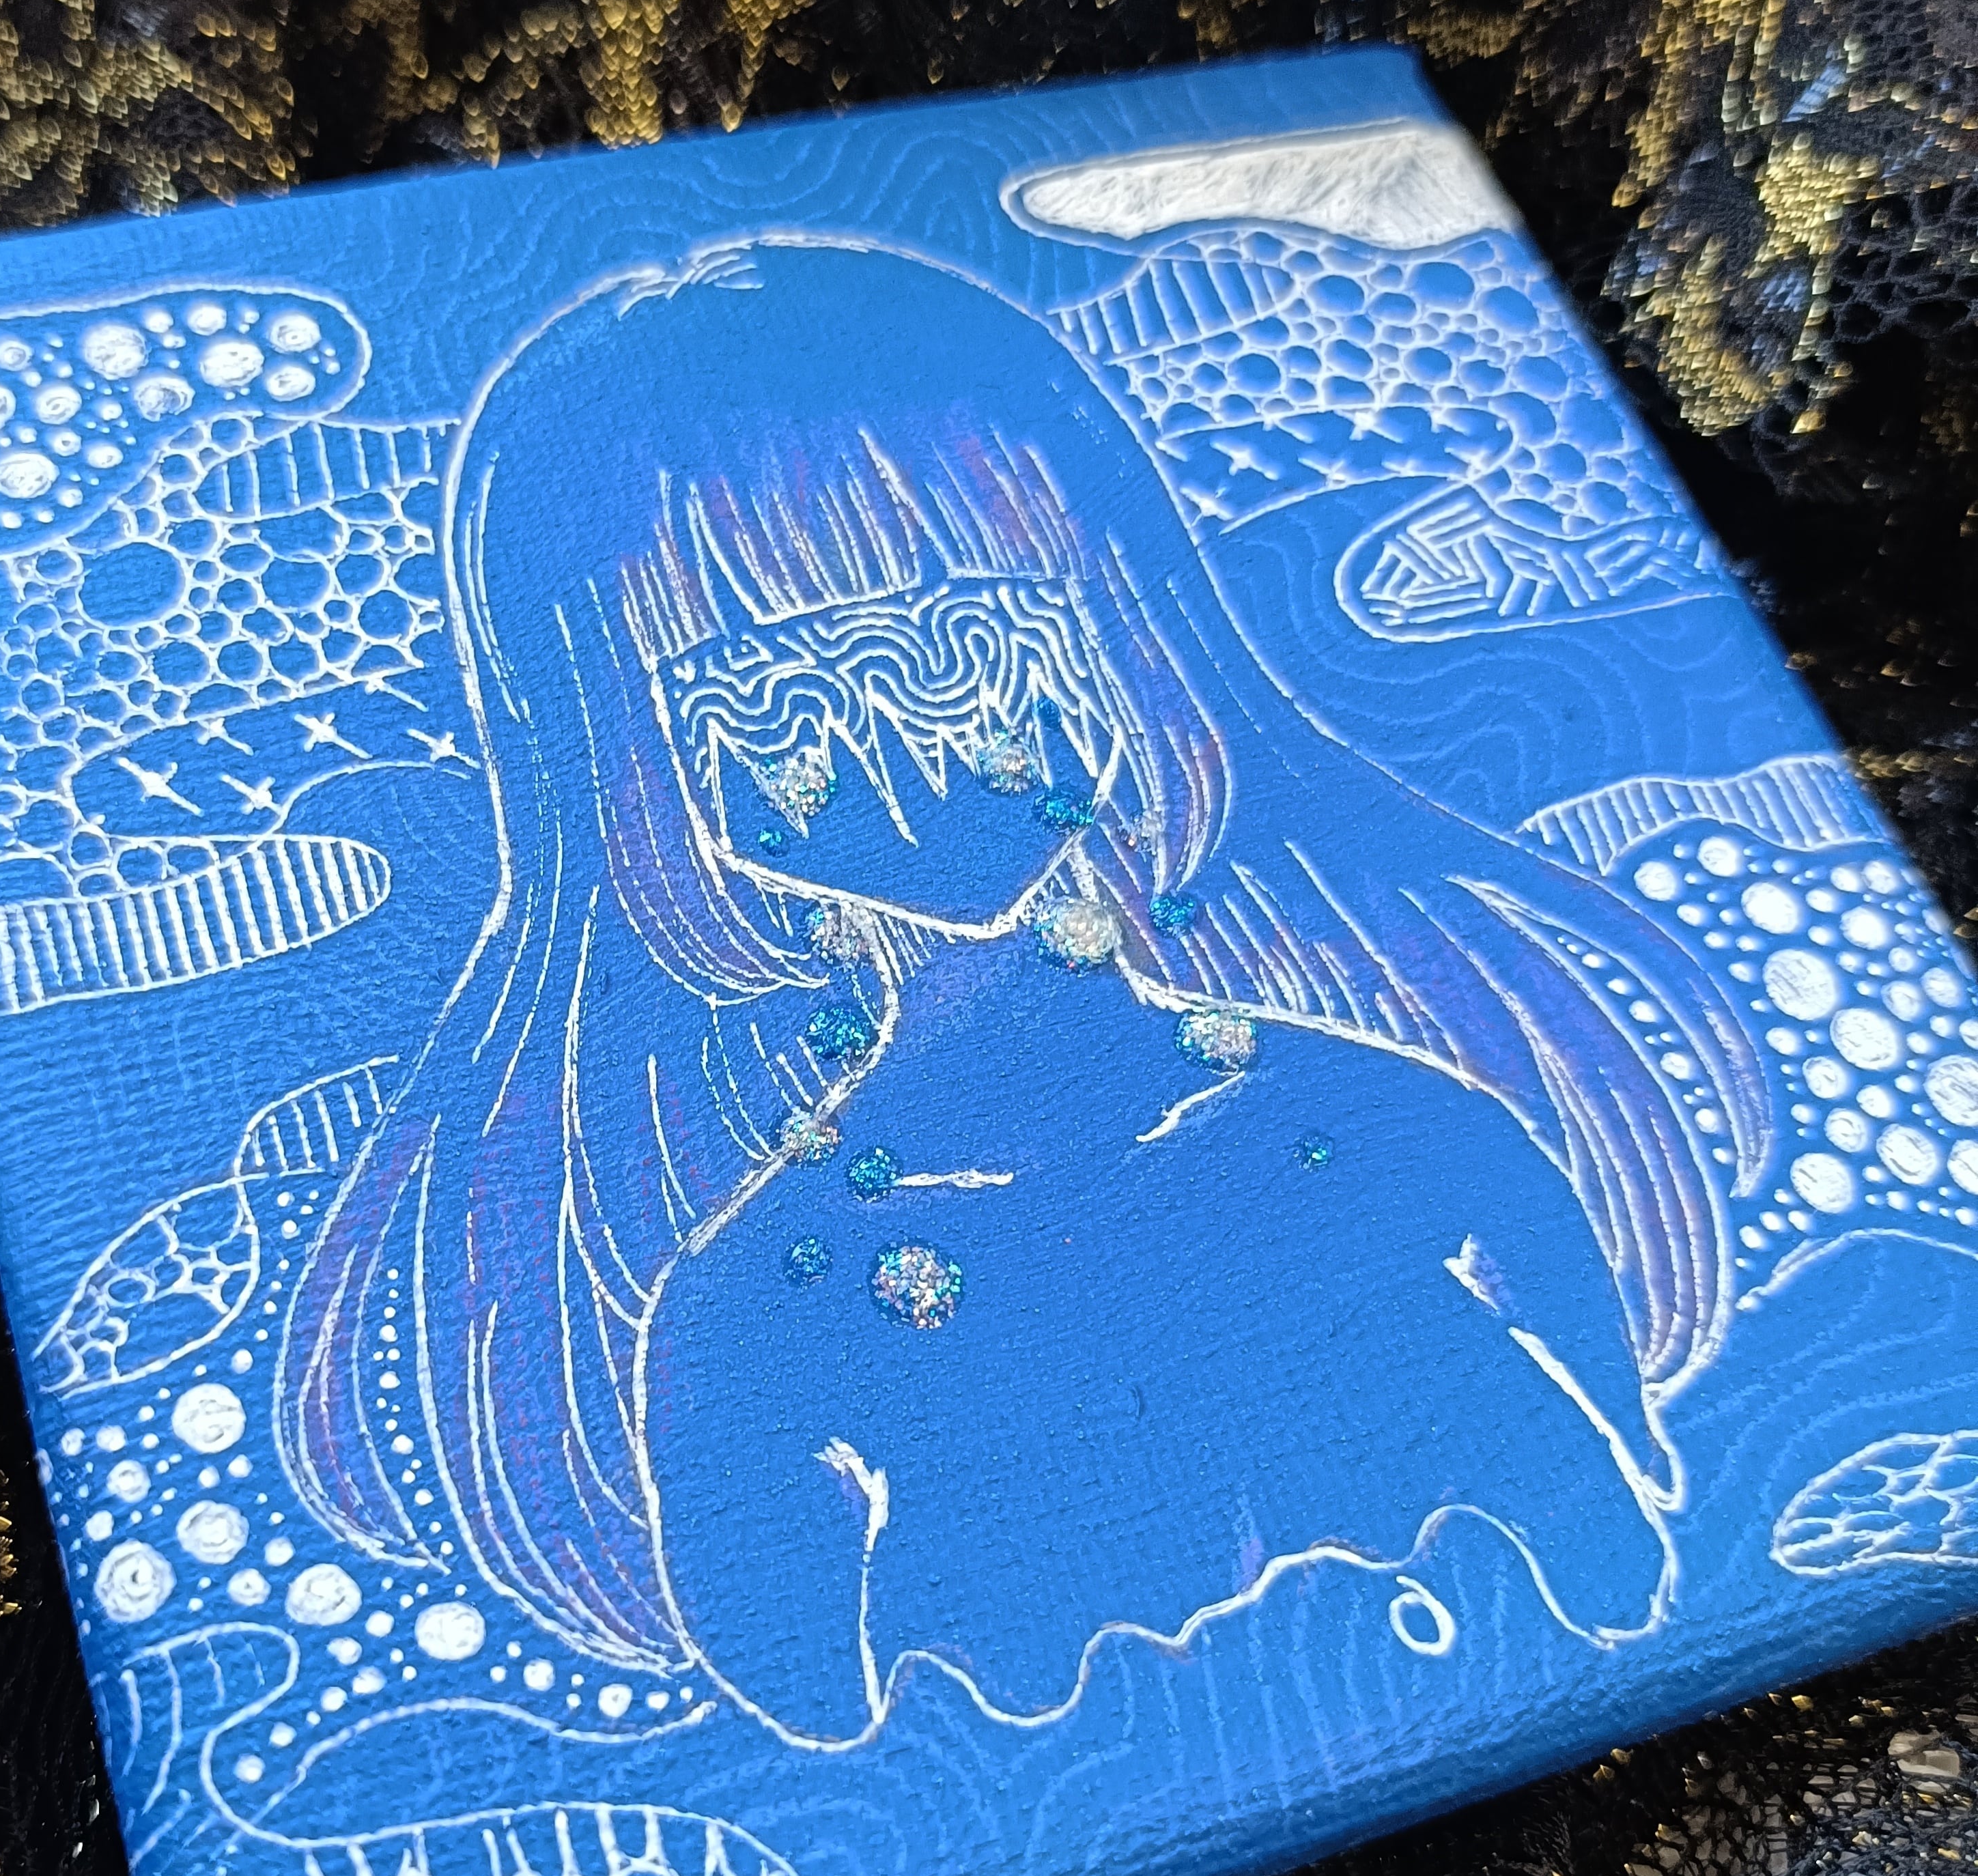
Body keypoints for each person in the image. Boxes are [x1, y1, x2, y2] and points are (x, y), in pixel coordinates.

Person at [275, 239, 1766, 1744]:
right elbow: (819, 1716)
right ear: (639, 776)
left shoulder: (1365, 1106)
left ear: (1124, 641)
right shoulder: (758, 1293)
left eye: (982, 636)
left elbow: (1617, 1445)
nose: (909, 730)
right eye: (780, 692)